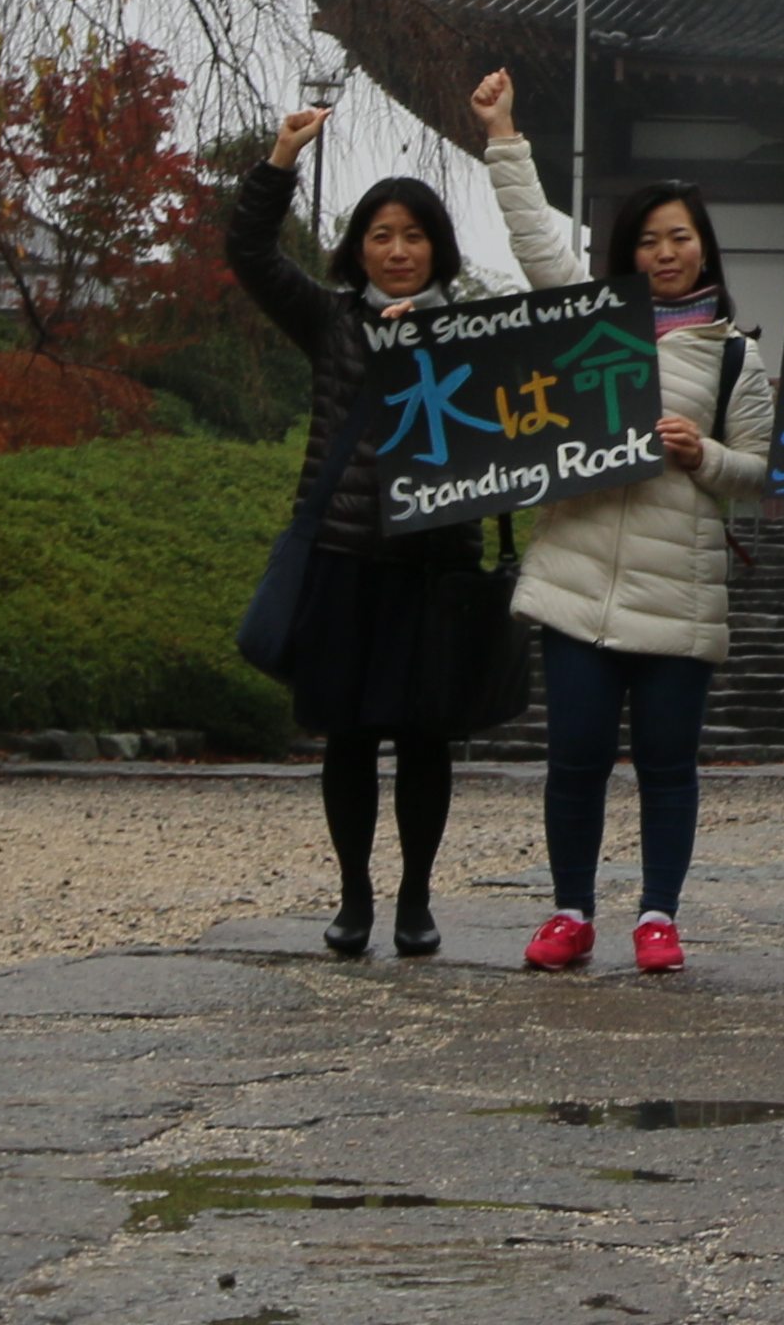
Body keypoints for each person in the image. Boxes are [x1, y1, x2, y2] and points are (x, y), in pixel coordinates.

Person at [228, 68, 567, 961]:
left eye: (413, 235)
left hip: (435, 563)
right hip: (344, 558)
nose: (397, 250)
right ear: (358, 249)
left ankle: (416, 897)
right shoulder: (333, 322)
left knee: (423, 739)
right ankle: (353, 898)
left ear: (438, 248)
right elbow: (251, 258)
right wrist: (278, 162)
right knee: (347, 736)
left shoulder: (477, 331)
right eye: (380, 235)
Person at [509, 177, 775, 977]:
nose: (665, 253)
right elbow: (537, 249)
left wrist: (705, 455)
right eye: (649, 240)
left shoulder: (735, 355)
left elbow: (758, 471)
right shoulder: (590, 327)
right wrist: (504, 141)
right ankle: (570, 912)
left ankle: (659, 915)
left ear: (705, 248)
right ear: (627, 252)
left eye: (681, 237)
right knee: (575, 759)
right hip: (576, 582)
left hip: (678, 589)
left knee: (667, 764)